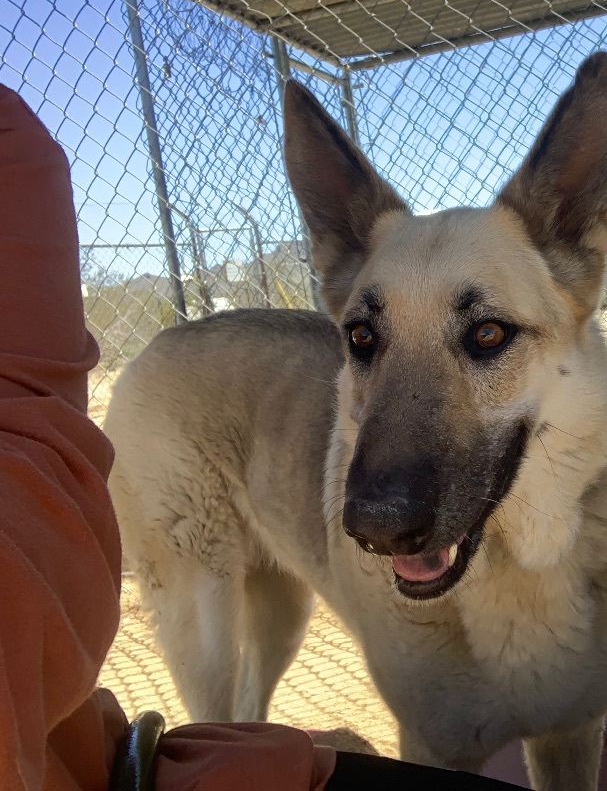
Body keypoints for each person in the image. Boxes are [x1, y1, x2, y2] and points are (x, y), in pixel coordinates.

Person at [0, 83, 522, 790]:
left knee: (280, 624)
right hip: (183, 414)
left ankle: (248, 739)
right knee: (215, 665)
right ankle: (231, 740)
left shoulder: (14, 153)